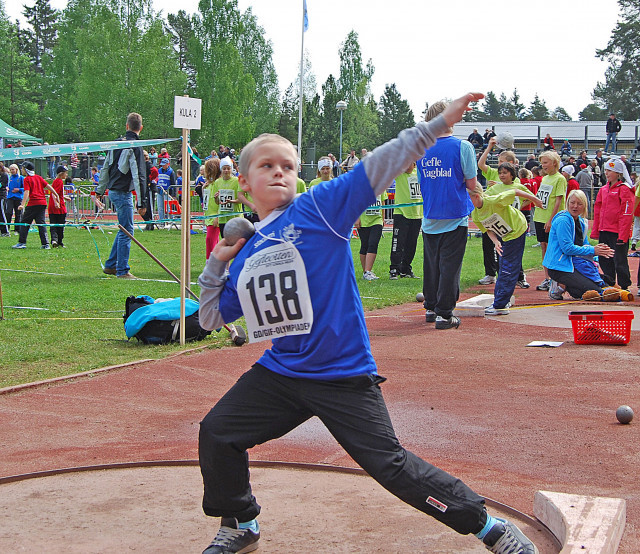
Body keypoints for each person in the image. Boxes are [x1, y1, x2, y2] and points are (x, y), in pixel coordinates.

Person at [196, 92, 539, 554]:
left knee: (390, 465)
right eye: (267, 166)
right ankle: (240, 522)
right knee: (217, 431)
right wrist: (218, 260)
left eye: (288, 166)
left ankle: (489, 527)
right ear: (242, 184)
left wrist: (437, 125)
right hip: (282, 372)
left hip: (343, 374)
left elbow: (379, 164)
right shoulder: (247, 253)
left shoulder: (319, 208)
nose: (280, 172)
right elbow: (213, 316)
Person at [418, 100, 479, 330]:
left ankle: (432, 307)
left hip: (431, 213)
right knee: (450, 266)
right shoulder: (462, 147)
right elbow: (472, 183)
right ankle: (445, 314)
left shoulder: (421, 147)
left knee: (431, 264)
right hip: (454, 214)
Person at [469, 168, 542, 315]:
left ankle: (500, 305)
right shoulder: (476, 214)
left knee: (508, 268)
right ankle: (502, 300)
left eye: (466, 198)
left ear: (476, 196)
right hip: (504, 235)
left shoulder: (493, 200)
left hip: (517, 229)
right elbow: (488, 230)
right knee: (503, 265)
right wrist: (496, 241)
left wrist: (535, 199)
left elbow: (515, 192)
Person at [544, 190, 623, 301]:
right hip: (559, 267)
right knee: (597, 292)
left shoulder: (581, 222)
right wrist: (593, 250)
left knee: (597, 285)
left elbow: (584, 244)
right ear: (567, 203)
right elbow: (567, 248)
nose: (575, 206)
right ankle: (558, 285)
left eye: (579, 204)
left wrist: (597, 255)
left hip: (575, 264)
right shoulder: (563, 221)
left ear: (584, 206)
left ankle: (566, 286)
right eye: (572, 203)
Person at [96, 112, 147, 279]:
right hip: (123, 192)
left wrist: (99, 190)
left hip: (113, 191)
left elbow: (105, 169)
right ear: (141, 128)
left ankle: (111, 265)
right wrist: (142, 201)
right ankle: (122, 270)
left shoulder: (116, 144)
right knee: (127, 231)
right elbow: (139, 175)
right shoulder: (135, 146)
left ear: (126, 126)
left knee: (123, 229)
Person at [477, 137, 524, 287]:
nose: (499, 166)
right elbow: (480, 164)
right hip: (490, 215)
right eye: (498, 163)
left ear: (510, 165)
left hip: (506, 218)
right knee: (488, 244)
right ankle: (490, 273)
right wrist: (489, 147)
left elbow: (516, 191)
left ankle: (519, 276)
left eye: (501, 162)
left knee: (509, 247)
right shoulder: (493, 173)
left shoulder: (513, 178)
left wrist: (498, 184)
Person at [591, 157, 634, 291]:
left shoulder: (624, 189)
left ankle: (624, 286)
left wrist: (623, 235)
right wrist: (596, 231)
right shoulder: (603, 190)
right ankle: (610, 284)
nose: (607, 173)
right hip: (604, 231)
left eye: (610, 170)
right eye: (606, 170)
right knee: (605, 259)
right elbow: (597, 211)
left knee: (619, 260)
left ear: (618, 173)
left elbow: (626, 214)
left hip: (617, 233)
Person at [533, 151, 566, 291]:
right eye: (542, 163)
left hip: (551, 218)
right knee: (544, 247)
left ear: (554, 163)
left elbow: (558, 200)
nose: (543, 165)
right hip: (539, 217)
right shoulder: (545, 178)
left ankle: (555, 277)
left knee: (553, 247)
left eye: (546, 162)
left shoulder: (560, 179)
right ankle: (547, 277)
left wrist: (551, 219)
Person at [12, 161, 60, 250]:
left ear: (26, 170)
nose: (21, 170)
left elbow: (26, 192)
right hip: (42, 203)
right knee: (41, 224)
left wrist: (22, 204)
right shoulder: (38, 177)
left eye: (22, 168)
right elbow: (48, 186)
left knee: (24, 223)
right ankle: (45, 244)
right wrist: (56, 194)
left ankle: (22, 242)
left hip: (33, 204)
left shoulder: (27, 179)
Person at [389, 162, 422, 279]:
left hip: (417, 214)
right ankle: (394, 268)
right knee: (398, 242)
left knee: (412, 244)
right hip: (401, 213)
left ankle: (406, 268)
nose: (408, 166)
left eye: (411, 163)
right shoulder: (399, 173)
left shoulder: (419, 173)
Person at [355, 188, 387, 280]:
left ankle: (368, 271)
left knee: (373, 243)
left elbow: (383, 202)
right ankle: (365, 272)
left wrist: (383, 218)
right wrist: (357, 219)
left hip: (377, 220)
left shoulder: (382, 184)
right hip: (363, 220)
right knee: (364, 245)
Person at [202, 157, 222, 259]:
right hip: (208, 216)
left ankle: (212, 263)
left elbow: (220, 201)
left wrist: (217, 217)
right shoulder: (209, 184)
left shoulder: (218, 183)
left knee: (210, 239)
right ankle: (212, 263)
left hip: (214, 217)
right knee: (211, 241)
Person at [49, 165, 69, 248]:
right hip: (58, 207)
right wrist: (57, 202)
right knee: (60, 224)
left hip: (52, 207)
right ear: (61, 174)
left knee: (53, 224)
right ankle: (59, 241)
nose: (66, 175)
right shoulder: (59, 182)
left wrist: (64, 197)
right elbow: (54, 193)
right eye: (65, 173)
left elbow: (56, 193)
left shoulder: (55, 181)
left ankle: (54, 240)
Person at [157, 157, 176, 227]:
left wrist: (174, 194)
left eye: (164, 165)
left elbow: (173, 183)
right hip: (160, 191)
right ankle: (161, 222)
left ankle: (171, 221)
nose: (162, 166)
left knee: (168, 207)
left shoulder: (171, 171)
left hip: (168, 192)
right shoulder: (159, 170)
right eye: (162, 165)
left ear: (167, 164)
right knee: (160, 207)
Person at [5, 164, 24, 235]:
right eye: (11, 169)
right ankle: (7, 228)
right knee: (8, 212)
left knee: (18, 213)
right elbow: (6, 185)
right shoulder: (9, 178)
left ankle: (17, 229)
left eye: (13, 169)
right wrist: (7, 188)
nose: (12, 171)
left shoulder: (21, 178)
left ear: (16, 170)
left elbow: (25, 188)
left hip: (18, 198)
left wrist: (18, 189)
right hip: (10, 197)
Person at [0, 162, 8, 237]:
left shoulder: (4, 175)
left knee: (2, 213)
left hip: (2, 196)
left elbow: (1, 185)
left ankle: (5, 231)